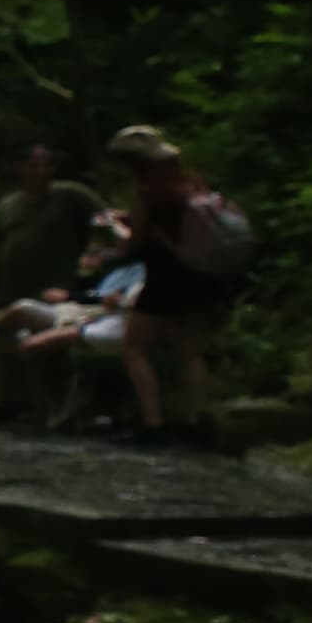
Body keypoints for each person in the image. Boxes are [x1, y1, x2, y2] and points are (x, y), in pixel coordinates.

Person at [107, 125, 253, 441]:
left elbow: (137, 244)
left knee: (134, 347)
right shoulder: (190, 182)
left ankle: (152, 423)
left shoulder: (149, 190)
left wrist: (118, 232)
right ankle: (196, 419)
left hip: (166, 277)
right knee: (190, 351)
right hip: (201, 274)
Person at [0, 145, 108, 418]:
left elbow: (107, 225)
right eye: (33, 165)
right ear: (19, 169)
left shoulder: (70, 196)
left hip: (60, 291)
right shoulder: (7, 205)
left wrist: (88, 270)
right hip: (15, 289)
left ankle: (47, 405)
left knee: (36, 341)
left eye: (46, 165)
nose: (40, 172)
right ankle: (2, 403)